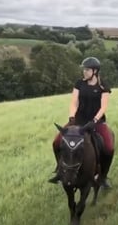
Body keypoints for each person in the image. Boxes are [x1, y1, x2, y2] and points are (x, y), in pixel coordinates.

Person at [48, 57, 114, 188]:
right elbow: (74, 102)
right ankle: (60, 171)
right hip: (78, 120)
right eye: (84, 69)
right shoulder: (79, 83)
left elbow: (103, 107)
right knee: (56, 142)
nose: (84, 72)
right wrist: (72, 117)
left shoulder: (103, 86)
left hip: (96, 122)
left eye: (87, 70)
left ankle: (103, 177)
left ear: (95, 71)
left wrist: (94, 120)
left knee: (109, 148)